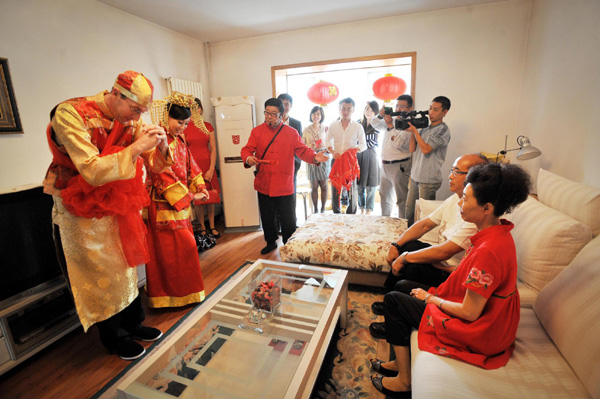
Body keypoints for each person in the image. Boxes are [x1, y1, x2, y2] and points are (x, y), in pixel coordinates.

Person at [368, 163, 531, 398]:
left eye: (465, 199)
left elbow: (470, 312)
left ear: (486, 208)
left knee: (395, 300)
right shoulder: (496, 233)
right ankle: (398, 364)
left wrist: (432, 298)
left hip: (483, 329)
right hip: (485, 315)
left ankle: (404, 382)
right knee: (403, 286)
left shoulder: (489, 249)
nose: (459, 203)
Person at [43, 70, 170, 360]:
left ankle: (133, 324)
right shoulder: (71, 113)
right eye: (135, 109)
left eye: (142, 112)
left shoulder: (129, 119)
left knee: (123, 263)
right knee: (98, 271)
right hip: (78, 205)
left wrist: (160, 145)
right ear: (115, 94)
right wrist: (138, 147)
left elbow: (154, 163)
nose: (136, 118)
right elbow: (91, 168)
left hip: (115, 201)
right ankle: (114, 337)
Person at [369, 153, 489, 327]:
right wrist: (397, 245)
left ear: (474, 177)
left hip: (449, 272)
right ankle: (390, 297)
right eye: (452, 170)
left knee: (413, 264)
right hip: (441, 262)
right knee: (409, 245)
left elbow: (445, 251)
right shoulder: (455, 199)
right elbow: (424, 224)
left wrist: (405, 257)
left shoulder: (475, 215)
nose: (450, 176)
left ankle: (397, 310)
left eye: (457, 172)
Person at [144, 92, 209, 308]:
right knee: (170, 254)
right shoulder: (157, 141)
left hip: (180, 206)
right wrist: (191, 196)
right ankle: (168, 298)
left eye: (186, 123)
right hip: (164, 204)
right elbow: (162, 176)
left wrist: (200, 185)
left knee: (185, 252)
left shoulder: (179, 139)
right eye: (179, 122)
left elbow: (191, 165)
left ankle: (186, 294)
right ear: (166, 117)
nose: (182, 127)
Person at [241, 98, 329, 254]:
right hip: (264, 181)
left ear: (281, 115)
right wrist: (248, 158)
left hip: (284, 182)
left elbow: (303, 150)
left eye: (273, 114)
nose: (269, 116)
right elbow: (247, 149)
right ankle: (270, 241)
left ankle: (289, 244)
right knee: (267, 216)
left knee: (288, 218)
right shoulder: (257, 131)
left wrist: (315, 157)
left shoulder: (291, 132)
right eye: (267, 113)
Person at [405, 96, 452, 226]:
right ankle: (405, 242)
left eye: (435, 110)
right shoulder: (424, 127)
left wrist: (415, 131)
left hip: (429, 179)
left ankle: (420, 245)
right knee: (409, 212)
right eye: (430, 108)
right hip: (415, 176)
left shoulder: (443, 130)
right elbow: (412, 148)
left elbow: (426, 149)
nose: (431, 112)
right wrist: (412, 132)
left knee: (424, 216)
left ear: (445, 112)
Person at [185, 98, 221, 243]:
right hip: (193, 166)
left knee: (210, 196)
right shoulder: (185, 127)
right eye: (192, 107)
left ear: (201, 109)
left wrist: (212, 168)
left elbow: (213, 149)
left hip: (207, 164)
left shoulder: (208, 126)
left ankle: (212, 225)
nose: (195, 110)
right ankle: (202, 226)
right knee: (198, 197)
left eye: (197, 107)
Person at [372, 95, 413, 218]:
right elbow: (374, 124)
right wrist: (380, 115)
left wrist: (390, 126)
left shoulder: (409, 124)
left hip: (399, 164)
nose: (398, 108)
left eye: (402, 106)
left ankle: (403, 226)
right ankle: (386, 222)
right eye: (397, 105)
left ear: (410, 108)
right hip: (385, 164)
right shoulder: (392, 119)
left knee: (402, 199)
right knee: (384, 196)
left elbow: (399, 143)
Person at [326, 97, 367, 214]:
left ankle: (352, 213)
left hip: (350, 162)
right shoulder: (333, 125)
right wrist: (333, 152)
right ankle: (336, 212)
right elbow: (327, 142)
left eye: (349, 109)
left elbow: (364, 145)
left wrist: (351, 152)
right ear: (339, 109)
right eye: (343, 109)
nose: (346, 112)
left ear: (353, 110)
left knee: (352, 189)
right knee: (335, 188)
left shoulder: (357, 126)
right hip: (337, 159)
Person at [302, 106, 330, 213]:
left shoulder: (326, 128)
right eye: (314, 114)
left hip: (323, 156)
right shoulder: (306, 129)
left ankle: (323, 209)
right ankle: (315, 210)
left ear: (321, 116)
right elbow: (302, 145)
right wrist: (310, 146)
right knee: (313, 186)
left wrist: (325, 145)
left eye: (318, 114)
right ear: (311, 115)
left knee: (324, 184)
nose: (316, 116)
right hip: (311, 157)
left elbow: (331, 144)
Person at [356, 101, 381, 215]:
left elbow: (372, 143)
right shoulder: (358, 123)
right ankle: (361, 208)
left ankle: (369, 210)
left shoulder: (377, 124)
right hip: (359, 156)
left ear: (376, 112)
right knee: (359, 184)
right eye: (367, 109)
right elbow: (353, 140)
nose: (368, 112)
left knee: (371, 184)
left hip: (371, 156)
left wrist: (361, 143)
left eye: (371, 110)